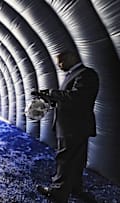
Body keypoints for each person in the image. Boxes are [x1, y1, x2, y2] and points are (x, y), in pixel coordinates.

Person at [32, 51, 99, 203]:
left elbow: (78, 98)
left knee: (65, 159)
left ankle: (57, 192)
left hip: (73, 126)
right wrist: (49, 98)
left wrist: (51, 93)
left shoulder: (86, 74)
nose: (59, 66)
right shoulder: (73, 75)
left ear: (72, 58)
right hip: (74, 126)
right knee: (76, 160)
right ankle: (75, 188)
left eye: (60, 62)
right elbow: (68, 99)